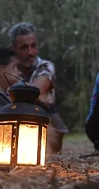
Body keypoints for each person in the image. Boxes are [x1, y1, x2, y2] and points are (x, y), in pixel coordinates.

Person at [9, 22, 68, 154]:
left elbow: (33, 92)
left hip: (44, 116)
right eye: (24, 48)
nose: (30, 52)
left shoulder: (46, 66)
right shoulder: (8, 69)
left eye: (33, 46)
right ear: (13, 49)